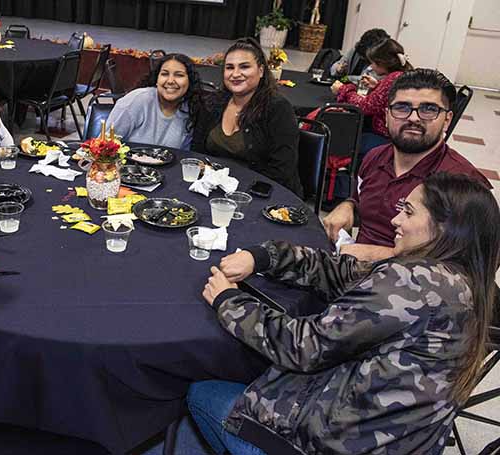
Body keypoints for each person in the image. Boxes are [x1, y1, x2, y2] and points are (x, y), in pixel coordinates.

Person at [190, 171, 500, 455]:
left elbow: (303, 346)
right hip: (390, 440)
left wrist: (228, 300)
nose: (395, 221)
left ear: (445, 228)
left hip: (327, 443)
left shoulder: (415, 281)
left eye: (408, 211)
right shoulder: (467, 283)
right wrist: (264, 257)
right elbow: (342, 271)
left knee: (200, 392)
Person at [323, 69, 490, 261]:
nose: (413, 118)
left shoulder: (462, 182)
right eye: (402, 107)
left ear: (447, 120)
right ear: (386, 116)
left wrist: (380, 255)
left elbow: (473, 267)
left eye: (429, 109)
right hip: (352, 271)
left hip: (413, 287)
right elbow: (360, 199)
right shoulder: (374, 158)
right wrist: (348, 205)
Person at [193, 38, 303, 196]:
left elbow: (281, 171)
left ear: (261, 71)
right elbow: (197, 151)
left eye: (244, 66)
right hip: (216, 190)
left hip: (265, 194)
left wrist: (233, 187)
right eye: (229, 67)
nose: (235, 74)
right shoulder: (214, 102)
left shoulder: (278, 109)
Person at [331, 38, 414, 160]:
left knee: (341, 139)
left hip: (385, 137)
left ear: (383, 63)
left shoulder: (392, 79)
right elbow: (385, 99)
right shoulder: (400, 76)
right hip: (396, 134)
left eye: (373, 63)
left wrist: (343, 89)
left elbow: (365, 107)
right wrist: (377, 86)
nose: (371, 67)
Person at [105, 53, 202, 151]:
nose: (170, 81)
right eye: (165, 74)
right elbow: (104, 145)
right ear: (157, 79)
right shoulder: (136, 101)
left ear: (190, 81)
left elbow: (185, 156)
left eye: (179, 75)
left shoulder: (191, 108)